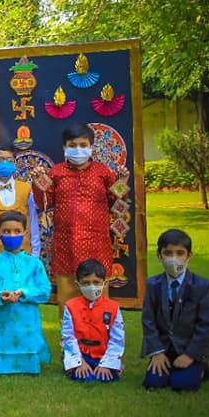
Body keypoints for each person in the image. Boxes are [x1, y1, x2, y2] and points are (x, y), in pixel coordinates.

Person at [31, 123, 129, 314]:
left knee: (98, 298)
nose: (78, 149)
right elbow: (44, 204)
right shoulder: (56, 172)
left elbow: (116, 204)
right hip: (65, 246)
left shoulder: (103, 172)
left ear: (91, 146)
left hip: (97, 245)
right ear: (64, 147)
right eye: (73, 145)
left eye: (83, 145)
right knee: (68, 301)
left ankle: (100, 331)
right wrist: (37, 184)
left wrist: (122, 183)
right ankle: (68, 333)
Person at [142, 229, 209, 392]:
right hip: (163, 349)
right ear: (159, 255)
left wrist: (190, 355)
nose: (173, 258)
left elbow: (206, 325)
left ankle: (201, 367)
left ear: (189, 256)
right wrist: (157, 352)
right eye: (168, 253)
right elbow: (148, 320)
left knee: (182, 386)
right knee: (153, 383)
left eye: (180, 253)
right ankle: (166, 363)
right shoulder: (152, 284)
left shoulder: (202, 286)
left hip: (188, 349)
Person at [0, 210, 52, 375]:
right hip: (2, 321)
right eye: (6, 231)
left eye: (17, 231)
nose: (12, 235)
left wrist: (24, 293)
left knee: (28, 342)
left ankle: (30, 361)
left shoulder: (34, 264)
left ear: (25, 233)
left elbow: (45, 291)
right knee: (1, 343)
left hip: (28, 321)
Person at [0, 143, 40, 266]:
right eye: (0, 160)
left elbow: (33, 224)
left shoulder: (27, 190)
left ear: (14, 164)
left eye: (9, 160)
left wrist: (35, 256)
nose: (5, 163)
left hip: (24, 256)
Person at [62, 259, 124, 383]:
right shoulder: (70, 306)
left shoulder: (113, 307)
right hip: (81, 355)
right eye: (86, 283)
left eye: (96, 282)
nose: (91, 287)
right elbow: (68, 336)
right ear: (77, 285)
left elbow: (117, 339)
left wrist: (106, 364)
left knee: (105, 378)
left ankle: (115, 366)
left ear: (105, 283)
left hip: (104, 354)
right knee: (85, 378)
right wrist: (79, 362)